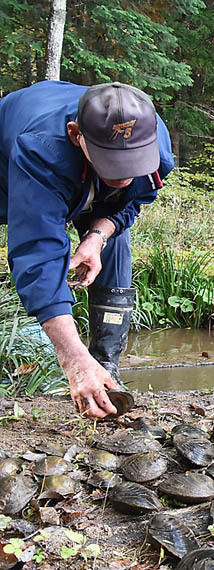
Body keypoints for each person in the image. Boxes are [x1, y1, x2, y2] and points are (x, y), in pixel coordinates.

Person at [0, 81, 174, 419]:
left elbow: (135, 198)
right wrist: (72, 358)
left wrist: (97, 236)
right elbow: (37, 253)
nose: (125, 174)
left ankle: (106, 366)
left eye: (133, 162)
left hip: (85, 172)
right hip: (6, 169)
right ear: (75, 134)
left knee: (114, 242)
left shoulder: (152, 140)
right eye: (114, 162)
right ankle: (83, 365)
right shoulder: (40, 149)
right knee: (40, 251)